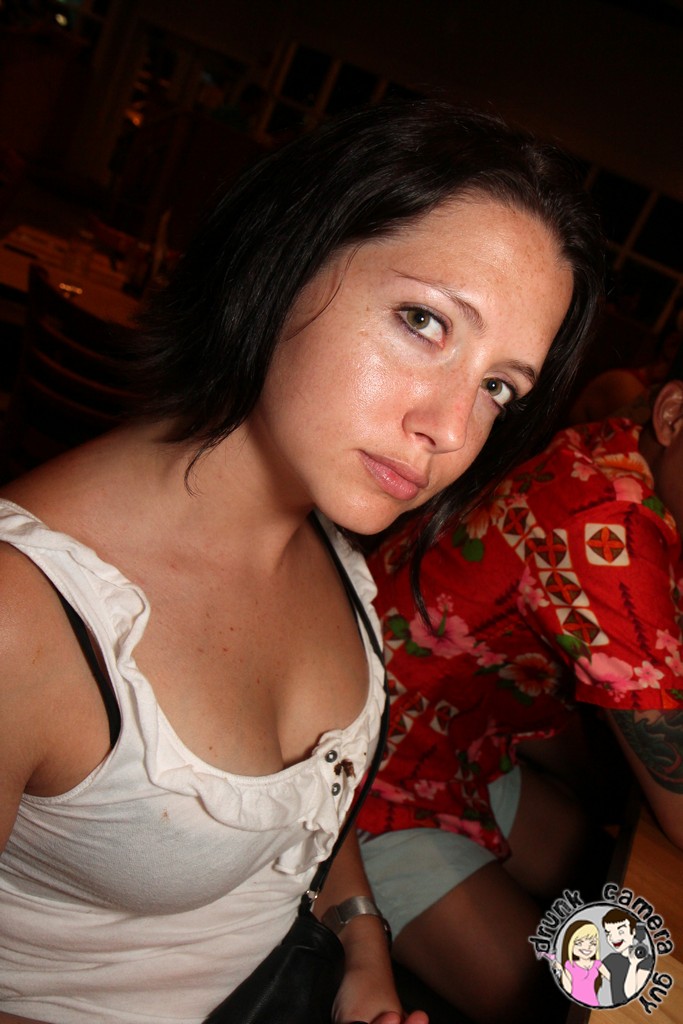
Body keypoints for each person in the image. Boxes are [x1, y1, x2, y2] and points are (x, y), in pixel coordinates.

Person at [0, 99, 602, 1024]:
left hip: (306, 966)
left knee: (619, 950)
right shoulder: (23, 617)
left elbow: (310, 817)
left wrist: (361, 948)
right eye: (423, 321)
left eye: (496, 387)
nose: (450, 429)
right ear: (283, 258)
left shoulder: (337, 547)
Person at [358, 344, 683, 1022]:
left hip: (456, 749)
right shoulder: (606, 523)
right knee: (590, 1002)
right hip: (364, 776)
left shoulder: (626, 450)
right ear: (673, 414)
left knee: (617, 877)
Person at [601, 908, 653, 1005]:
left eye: (620, 932)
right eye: (608, 933)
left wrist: (633, 964)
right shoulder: (611, 959)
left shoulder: (646, 960)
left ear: (633, 931)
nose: (613, 938)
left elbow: (631, 994)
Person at [552, 920, 609, 1007]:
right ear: (570, 944)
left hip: (592, 1003)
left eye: (593, 943)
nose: (587, 947)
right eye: (579, 943)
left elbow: (613, 978)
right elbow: (569, 989)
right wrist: (561, 970)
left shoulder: (597, 964)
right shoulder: (569, 965)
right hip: (575, 1003)